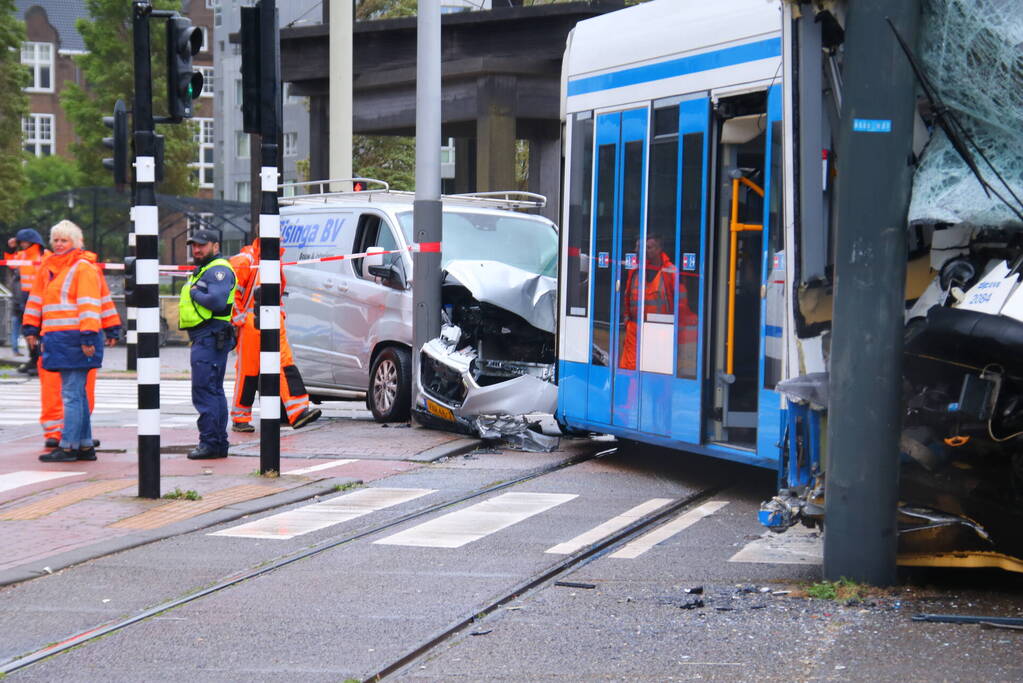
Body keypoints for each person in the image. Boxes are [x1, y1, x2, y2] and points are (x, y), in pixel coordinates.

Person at [22, 220, 120, 462]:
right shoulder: (50, 267)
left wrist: (91, 335)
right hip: (61, 338)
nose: (58, 244)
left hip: (74, 338)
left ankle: (68, 447)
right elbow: (37, 301)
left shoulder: (81, 267)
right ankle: (84, 445)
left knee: (72, 394)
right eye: (55, 239)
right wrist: (31, 326)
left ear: (75, 243)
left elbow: (89, 305)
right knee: (76, 393)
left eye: (64, 240)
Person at [229, 239, 321, 432]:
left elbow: (277, 291)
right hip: (250, 321)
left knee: (284, 363)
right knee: (248, 370)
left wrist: (280, 314)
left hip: (272, 318)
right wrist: (238, 322)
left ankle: (297, 412)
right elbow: (233, 293)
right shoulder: (244, 261)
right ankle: (240, 416)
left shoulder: (273, 259)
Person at [179, 229, 237, 460]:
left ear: (215, 246)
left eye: (201, 245)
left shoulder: (218, 270)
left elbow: (216, 300)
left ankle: (211, 443)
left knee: (205, 391)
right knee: (212, 390)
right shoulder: (206, 269)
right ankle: (217, 442)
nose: (196, 250)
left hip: (210, 335)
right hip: (207, 336)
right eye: (194, 246)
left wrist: (195, 293)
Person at [6, 229, 50, 373]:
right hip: (25, 298)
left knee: (38, 332)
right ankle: (34, 359)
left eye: (25, 242)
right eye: (21, 242)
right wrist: (10, 248)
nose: (23, 244)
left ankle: (41, 360)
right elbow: (11, 263)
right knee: (28, 332)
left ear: (33, 241)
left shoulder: (45, 255)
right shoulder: (22, 255)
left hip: (41, 298)